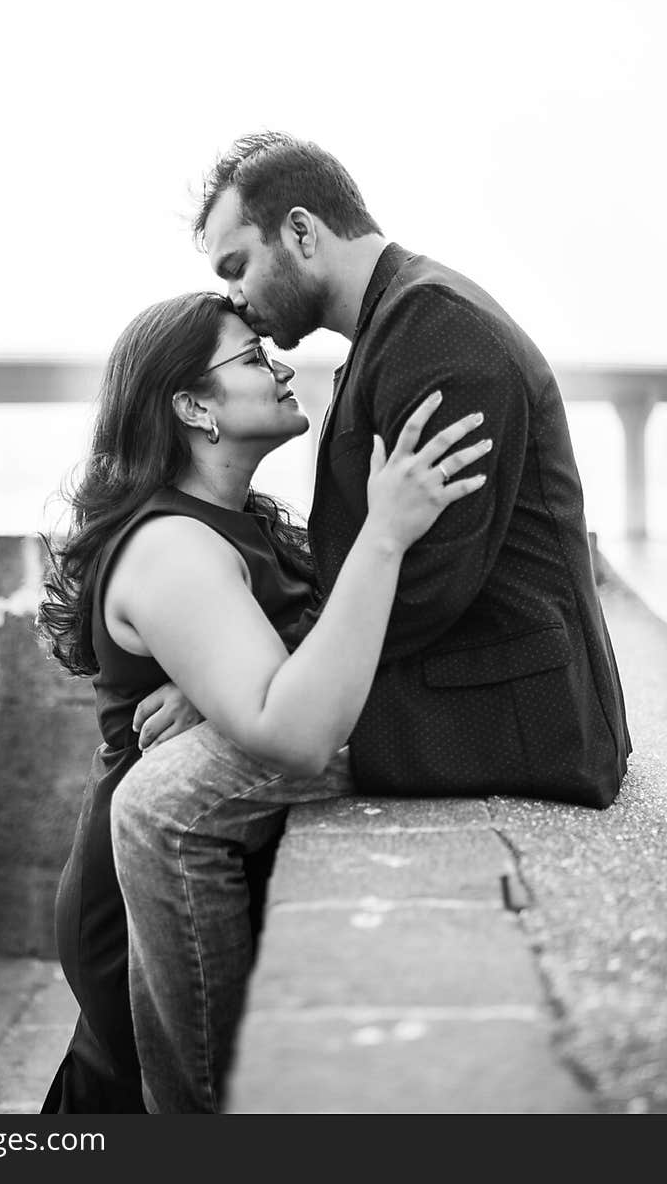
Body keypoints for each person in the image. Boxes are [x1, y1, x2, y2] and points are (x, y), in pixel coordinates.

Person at [111, 132, 631, 1113]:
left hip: (494, 711)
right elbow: (370, 570)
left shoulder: (440, 338)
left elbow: (426, 580)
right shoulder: (400, 327)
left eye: (238, 265)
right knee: (166, 783)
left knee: (160, 812)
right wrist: (236, 684)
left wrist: (247, 691)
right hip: (457, 679)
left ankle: (204, 1118)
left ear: (300, 231)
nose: (239, 303)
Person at [38, 289, 490, 1112]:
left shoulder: (240, 519)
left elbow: (315, 643)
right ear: (192, 408)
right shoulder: (171, 546)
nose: (280, 366)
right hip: (145, 898)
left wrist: (216, 694)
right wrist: (387, 533)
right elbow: (297, 731)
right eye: (251, 359)